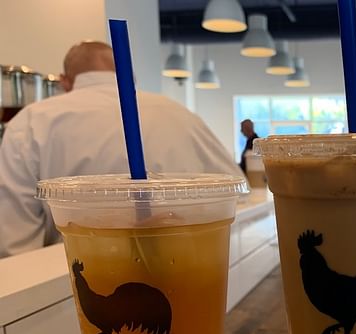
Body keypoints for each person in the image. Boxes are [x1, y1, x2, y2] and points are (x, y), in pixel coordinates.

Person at [0, 41, 244, 258]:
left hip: (76, 275)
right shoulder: (180, 113)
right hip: (187, 262)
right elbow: (238, 194)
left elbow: (17, 243)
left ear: (64, 81)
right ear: (132, 77)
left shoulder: (30, 121)